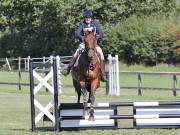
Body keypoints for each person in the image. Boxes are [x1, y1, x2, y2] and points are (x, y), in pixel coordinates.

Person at [62, 10, 107, 82]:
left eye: (89, 18)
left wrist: (97, 37)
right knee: (77, 52)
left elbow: (101, 33)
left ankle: (102, 73)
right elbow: (77, 33)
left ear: (91, 18)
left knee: (101, 54)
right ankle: (68, 69)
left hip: (94, 44)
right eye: (86, 18)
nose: (87, 19)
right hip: (84, 44)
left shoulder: (95, 24)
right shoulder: (82, 24)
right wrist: (82, 38)